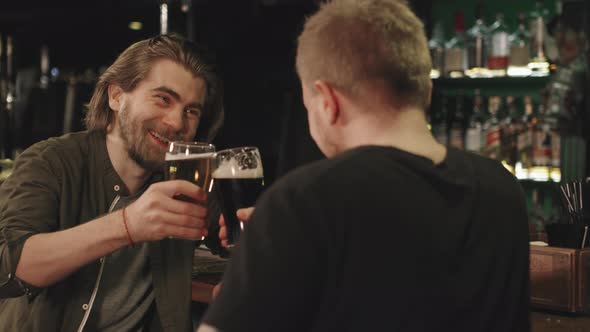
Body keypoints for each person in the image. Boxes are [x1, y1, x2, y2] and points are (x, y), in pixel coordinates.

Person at [199, 0, 530, 331]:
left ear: (327, 102)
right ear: (425, 90)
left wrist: (262, 266)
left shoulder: (303, 201)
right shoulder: (503, 190)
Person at [0, 34, 224, 331]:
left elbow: (207, 261)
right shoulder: (51, 162)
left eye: (191, 111)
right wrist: (128, 225)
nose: (176, 123)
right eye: (163, 99)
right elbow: (9, 268)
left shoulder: (187, 178)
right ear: (116, 96)